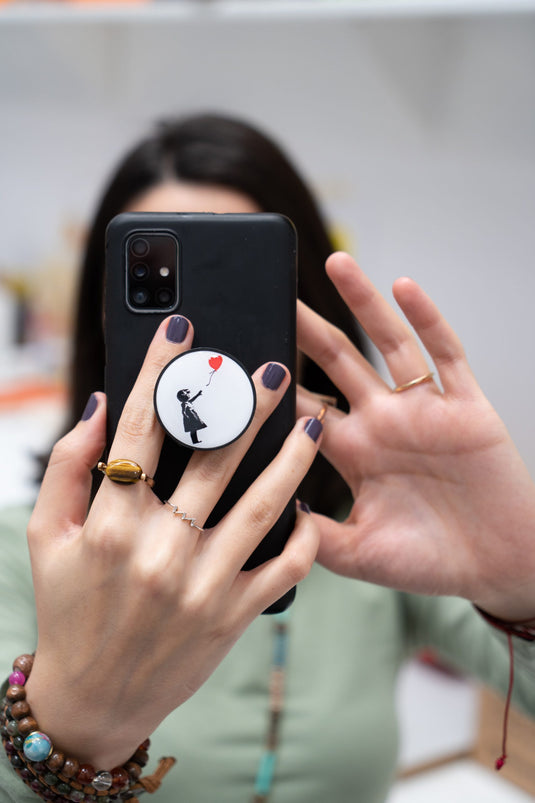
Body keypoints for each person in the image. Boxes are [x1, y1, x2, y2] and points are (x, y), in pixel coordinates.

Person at [1, 113, 534, 803]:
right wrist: (74, 724)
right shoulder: (32, 551)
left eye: (231, 296)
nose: (198, 358)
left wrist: (520, 582)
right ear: (103, 323)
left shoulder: (369, 536)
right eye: (166, 307)